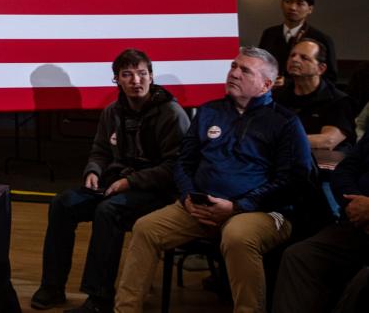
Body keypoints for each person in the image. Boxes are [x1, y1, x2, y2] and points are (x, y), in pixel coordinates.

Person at [114, 47, 313, 313]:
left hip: (264, 211)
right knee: (146, 228)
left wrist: (239, 206)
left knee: (237, 235)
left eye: (244, 70)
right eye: (233, 66)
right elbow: (183, 162)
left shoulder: (285, 122)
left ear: (266, 84)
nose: (234, 73)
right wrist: (187, 198)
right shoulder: (209, 112)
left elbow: (293, 180)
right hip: (199, 206)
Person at [31, 49, 190, 313]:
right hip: (115, 183)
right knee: (62, 204)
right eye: (127, 75)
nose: (135, 81)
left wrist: (131, 182)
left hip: (156, 190)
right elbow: (100, 151)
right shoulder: (112, 112)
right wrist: (93, 171)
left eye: (141, 74)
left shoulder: (171, 113)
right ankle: (52, 286)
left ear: (151, 76)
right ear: (116, 80)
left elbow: (176, 166)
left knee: (108, 211)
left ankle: (99, 299)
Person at [273, 131, 369, 312]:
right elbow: (344, 171)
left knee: (362, 282)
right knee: (300, 255)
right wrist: (354, 205)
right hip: (358, 223)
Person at [274, 38, 355, 152]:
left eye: (304, 58)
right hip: (283, 157)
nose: (295, 60)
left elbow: (328, 141)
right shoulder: (278, 95)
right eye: (292, 55)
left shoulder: (338, 100)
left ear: (321, 69)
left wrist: (280, 140)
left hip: (324, 162)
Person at [259, 0, 337, 85]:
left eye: (300, 3)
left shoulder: (321, 39)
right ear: (281, 4)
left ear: (310, 9)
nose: (292, 7)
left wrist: (288, 83)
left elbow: (330, 77)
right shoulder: (269, 33)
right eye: (288, 1)